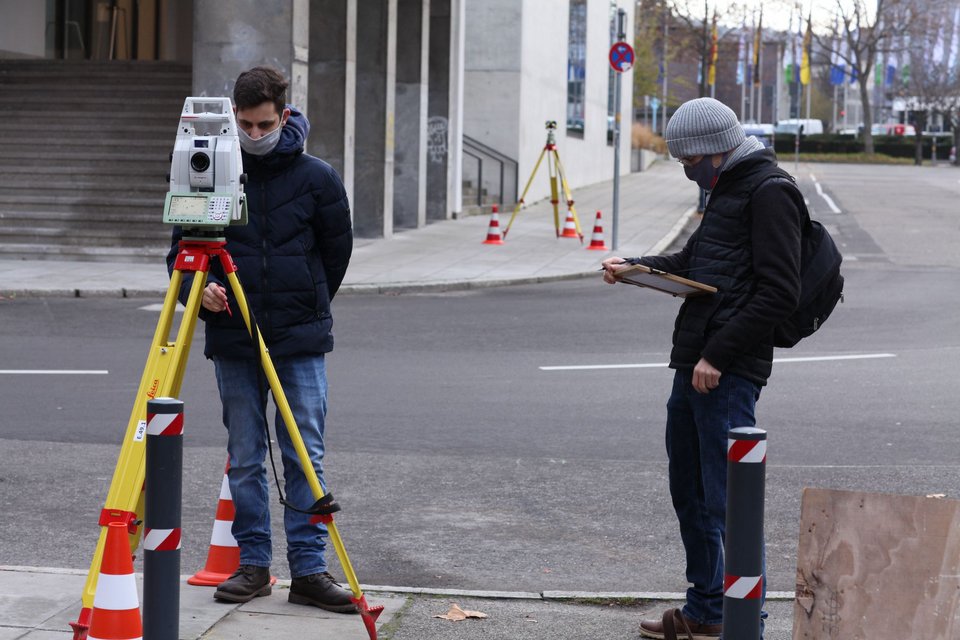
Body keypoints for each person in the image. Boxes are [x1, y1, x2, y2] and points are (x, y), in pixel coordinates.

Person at [601, 97, 803, 639]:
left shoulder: (770, 192)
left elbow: (780, 292)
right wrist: (636, 267)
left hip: (726, 371)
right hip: (693, 364)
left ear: (713, 151)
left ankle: (743, 620)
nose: (687, 170)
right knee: (690, 492)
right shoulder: (725, 191)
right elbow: (694, 263)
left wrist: (718, 355)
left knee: (729, 501)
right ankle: (707, 609)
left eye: (688, 161)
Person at [166, 66, 354, 613]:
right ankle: (252, 565)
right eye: (244, 125)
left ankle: (310, 571)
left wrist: (306, 304)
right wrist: (196, 295)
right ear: (232, 118)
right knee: (245, 457)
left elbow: (336, 255)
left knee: (304, 453)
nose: (254, 135)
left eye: (264, 123)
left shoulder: (318, 178)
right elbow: (180, 253)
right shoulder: (211, 170)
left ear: (285, 115)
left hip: (298, 338)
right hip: (233, 339)